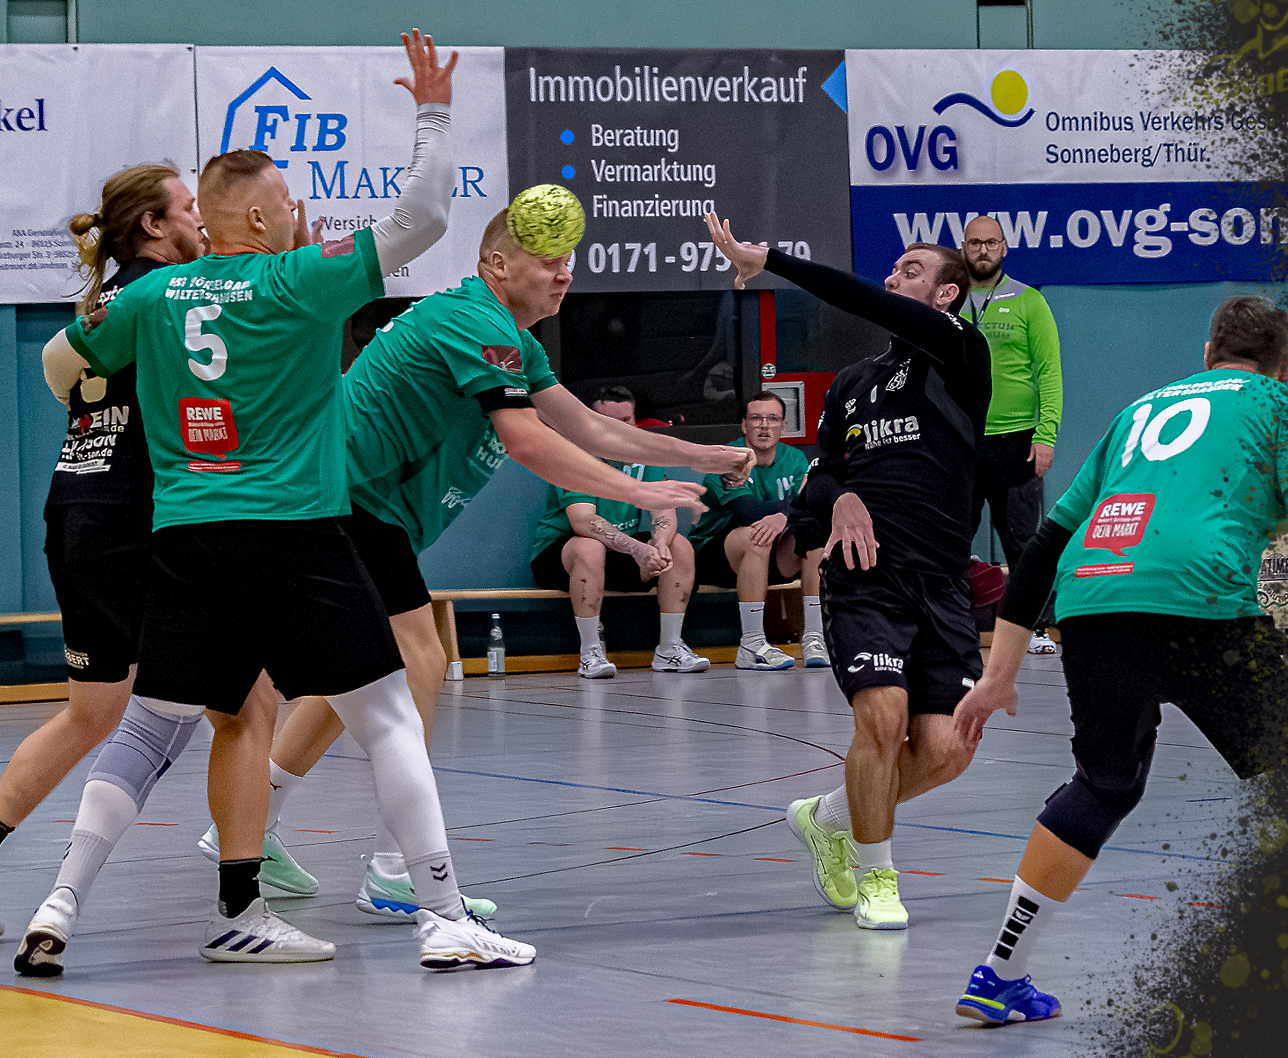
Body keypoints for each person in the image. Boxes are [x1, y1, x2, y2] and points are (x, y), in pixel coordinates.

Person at [27, 30, 533, 974]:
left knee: (149, 727)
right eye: (289, 201)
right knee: (388, 714)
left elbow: (70, 362)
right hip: (294, 535)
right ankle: (441, 917)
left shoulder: (153, 296)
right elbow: (424, 215)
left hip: (186, 538)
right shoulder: (299, 280)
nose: (300, 212)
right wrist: (432, 111)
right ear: (258, 220)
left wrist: (95, 346)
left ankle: (58, 906)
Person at [196, 195, 744, 920]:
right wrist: (635, 494)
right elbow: (528, 440)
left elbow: (589, 429)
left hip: (353, 506)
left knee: (357, 674)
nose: (563, 275)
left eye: (567, 261)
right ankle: (396, 867)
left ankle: (251, 823)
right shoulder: (472, 320)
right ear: (497, 264)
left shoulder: (516, 341)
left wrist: (697, 455)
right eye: (545, 261)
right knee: (418, 661)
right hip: (344, 502)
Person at [948, 295, 1288, 1024]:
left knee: (1103, 783)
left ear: (1207, 354)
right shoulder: (1282, 407)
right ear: (1285, 363)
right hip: (1200, 599)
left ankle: (998, 975)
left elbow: (1043, 549)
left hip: (1093, 600)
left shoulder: (1138, 412)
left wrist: (997, 676)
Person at [705, 210, 989, 932]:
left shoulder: (960, 352)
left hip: (941, 584)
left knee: (948, 749)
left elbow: (865, 300)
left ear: (947, 295)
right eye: (892, 269)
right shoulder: (852, 384)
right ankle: (878, 877)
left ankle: (828, 816)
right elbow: (820, 479)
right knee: (882, 717)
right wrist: (843, 498)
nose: (892, 278)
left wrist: (772, 260)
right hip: (865, 579)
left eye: (911, 271)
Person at [0, 163, 206, 952]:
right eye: (187, 206)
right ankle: (246, 877)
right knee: (240, 699)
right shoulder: (172, 295)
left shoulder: (100, 304)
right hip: (141, 518)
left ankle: (255, 849)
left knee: (90, 714)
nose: (198, 218)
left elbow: (60, 370)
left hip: (75, 508)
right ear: (154, 225)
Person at [528, 386, 701, 678]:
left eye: (627, 421)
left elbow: (664, 510)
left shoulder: (645, 456)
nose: (621, 429)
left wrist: (659, 544)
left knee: (678, 546)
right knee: (589, 546)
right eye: (610, 422)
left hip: (619, 553)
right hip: (561, 555)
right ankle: (590, 653)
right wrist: (638, 549)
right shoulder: (573, 455)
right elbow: (584, 522)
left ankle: (670, 648)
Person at [959, 216, 1064, 656]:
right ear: (963, 248)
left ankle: (1036, 628)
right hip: (959, 442)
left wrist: (1046, 434)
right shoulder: (948, 299)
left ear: (1004, 247)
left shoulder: (1028, 301)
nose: (983, 250)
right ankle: (950, 626)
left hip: (1017, 442)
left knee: (1024, 544)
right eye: (975, 243)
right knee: (951, 540)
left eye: (991, 243)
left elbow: (1049, 371)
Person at [689, 389, 827, 670]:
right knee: (755, 535)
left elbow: (808, 507)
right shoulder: (728, 458)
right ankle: (751, 644)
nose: (764, 426)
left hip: (769, 553)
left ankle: (815, 637)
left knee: (814, 535)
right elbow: (747, 514)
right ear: (744, 425)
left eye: (773, 419)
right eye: (756, 419)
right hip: (714, 554)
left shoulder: (795, 458)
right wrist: (787, 511)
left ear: (783, 427)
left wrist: (784, 517)